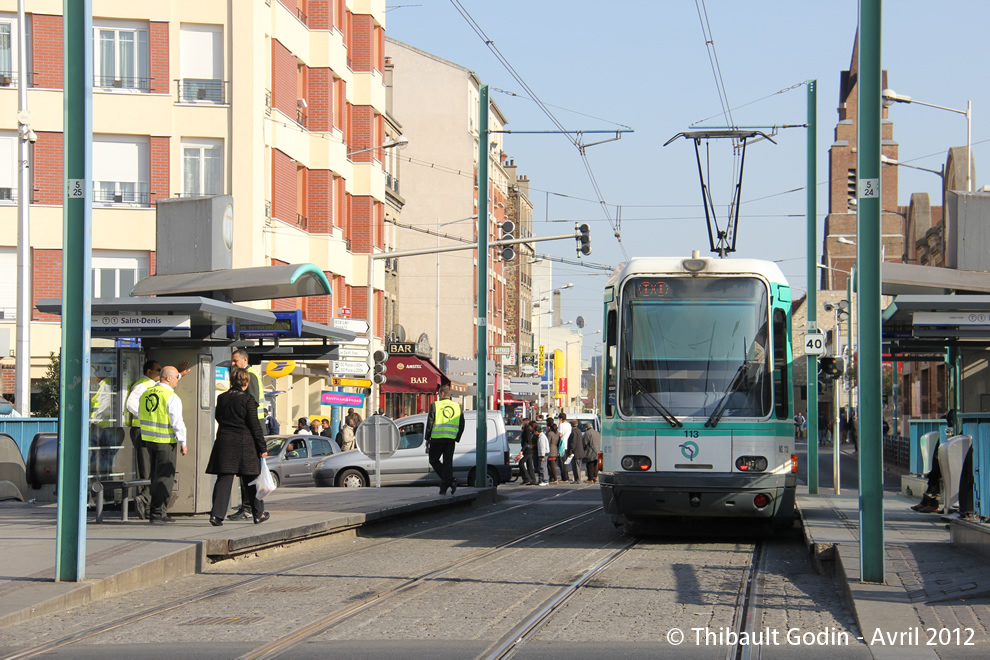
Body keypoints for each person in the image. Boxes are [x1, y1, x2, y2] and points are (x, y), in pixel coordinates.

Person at [206, 367, 269, 526]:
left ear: (232, 381)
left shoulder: (222, 398)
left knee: (224, 479)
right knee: (251, 480)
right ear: (246, 383)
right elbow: (255, 426)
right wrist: (262, 447)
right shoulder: (248, 401)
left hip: (225, 442)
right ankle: (258, 514)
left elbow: (219, 418)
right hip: (244, 444)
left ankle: (216, 515)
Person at [139, 366, 187, 523]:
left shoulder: (146, 393)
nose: (177, 381)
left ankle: (154, 511)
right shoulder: (171, 397)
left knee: (153, 477)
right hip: (165, 441)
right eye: (176, 378)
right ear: (168, 378)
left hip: (147, 440)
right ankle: (158, 513)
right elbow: (177, 422)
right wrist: (183, 442)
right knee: (164, 478)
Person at [124, 360, 162, 519]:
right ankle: (144, 500)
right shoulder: (142, 385)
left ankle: (147, 502)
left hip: (149, 431)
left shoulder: (152, 385)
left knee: (152, 467)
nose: (160, 373)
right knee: (146, 468)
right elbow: (130, 404)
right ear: (148, 371)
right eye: (158, 370)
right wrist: (144, 417)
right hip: (141, 430)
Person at [425, 384, 464, 495]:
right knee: (448, 463)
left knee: (433, 460)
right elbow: (462, 423)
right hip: (450, 440)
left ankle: (449, 480)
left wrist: (427, 438)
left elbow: (430, 423)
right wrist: (457, 437)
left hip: (437, 439)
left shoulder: (435, 405)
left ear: (442, 393)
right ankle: (445, 485)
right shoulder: (457, 406)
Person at [519, 420, 537, 486]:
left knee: (521, 463)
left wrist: (522, 450)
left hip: (527, 449)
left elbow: (527, 441)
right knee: (529, 465)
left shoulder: (527, 431)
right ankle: (533, 479)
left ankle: (526, 479)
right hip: (529, 449)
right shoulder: (529, 431)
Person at [568, 419, 586, 483]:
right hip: (580, 451)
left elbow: (573, 443)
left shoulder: (574, 432)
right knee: (578, 465)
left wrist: (570, 451)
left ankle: (577, 479)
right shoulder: (579, 431)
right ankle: (577, 479)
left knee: (576, 466)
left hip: (576, 452)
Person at [546, 419, 561, 484]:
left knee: (551, 465)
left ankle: (554, 478)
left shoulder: (549, 433)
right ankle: (553, 478)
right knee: (552, 465)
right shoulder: (557, 433)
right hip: (555, 449)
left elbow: (547, 442)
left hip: (550, 450)